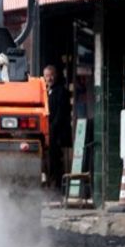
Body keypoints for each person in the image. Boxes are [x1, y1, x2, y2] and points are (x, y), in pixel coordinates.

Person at [44, 65, 72, 194]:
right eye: (47, 76)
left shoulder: (61, 91)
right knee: (48, 161)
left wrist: (52, 128)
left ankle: (58, 189)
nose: (49, 78)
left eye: (51, 75)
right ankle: (50, 186)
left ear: (55, 76)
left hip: (57, 134)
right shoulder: (44, 91)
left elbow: (61, 113)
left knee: (56, 162)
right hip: (47, 133)